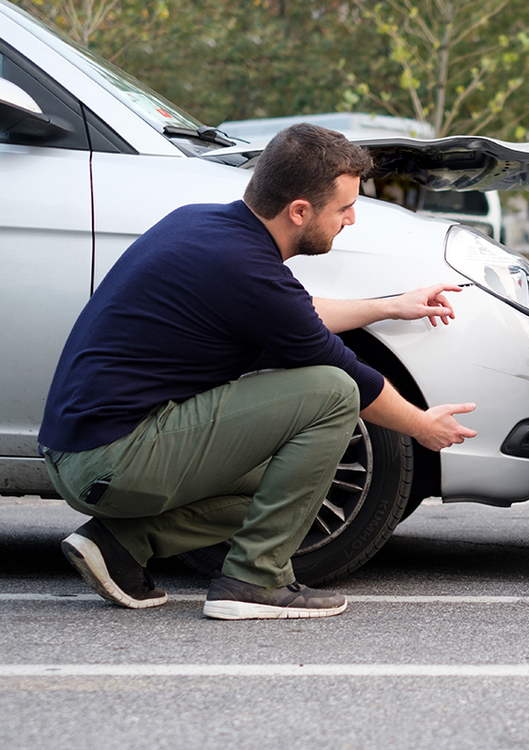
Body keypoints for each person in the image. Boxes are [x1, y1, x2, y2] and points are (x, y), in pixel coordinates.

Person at [39, 123, 478, 620]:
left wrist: (391, 306)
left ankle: (120, 543)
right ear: (299, 211)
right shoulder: (246, 270)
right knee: (332, 390)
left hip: (85, 452)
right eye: (344, 208)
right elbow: (346, 372)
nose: (352, 219)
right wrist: (423, 426)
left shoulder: (203, 226)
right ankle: (253, 581)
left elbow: (294, 311)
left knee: (294, 481)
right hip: (112, 459)